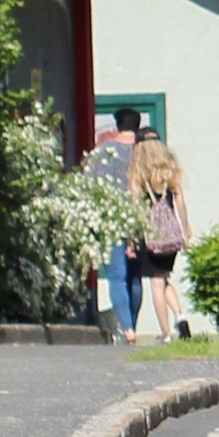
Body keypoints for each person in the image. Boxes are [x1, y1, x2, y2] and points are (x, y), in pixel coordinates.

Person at [129, 139, 193, 344]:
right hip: (171, 234)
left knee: (156, 284)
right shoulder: (168, 174)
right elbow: (180, 202)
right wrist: (185, 228)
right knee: (164, 278)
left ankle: (166, 333)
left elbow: (136, 210)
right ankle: (179, 315)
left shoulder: (138, 176)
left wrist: (131, 240)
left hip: (152, 237)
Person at [88, 107, 143, 344]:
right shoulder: (144, 151)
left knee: (117, 276)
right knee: (136, 277)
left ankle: (126, 328)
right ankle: (132, 325)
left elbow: (90, 184)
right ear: (138, 125)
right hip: (141, 219)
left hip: (113, 218)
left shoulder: (103, 152)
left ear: (117, 126)